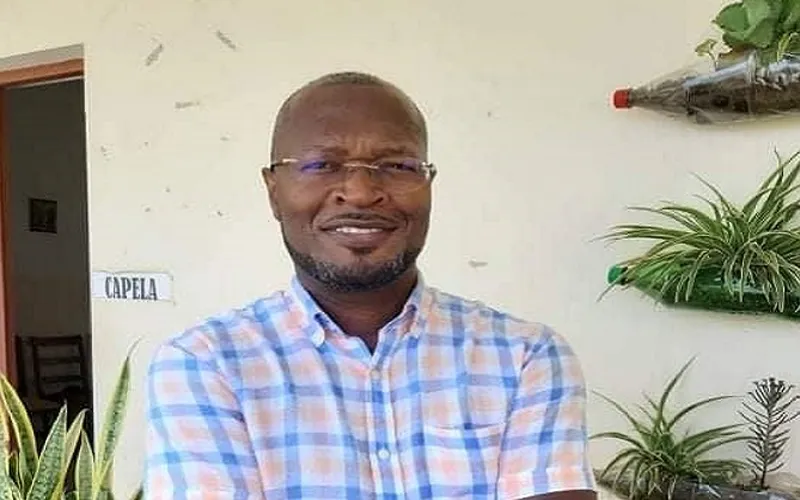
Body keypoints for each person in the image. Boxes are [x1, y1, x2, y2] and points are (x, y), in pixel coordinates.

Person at [144, 71, 597, 500]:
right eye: (322, 164)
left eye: (396, 165)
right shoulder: (205, 364)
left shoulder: (524, 356)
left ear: (428, 183)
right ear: (273, 190)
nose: (361, 192)